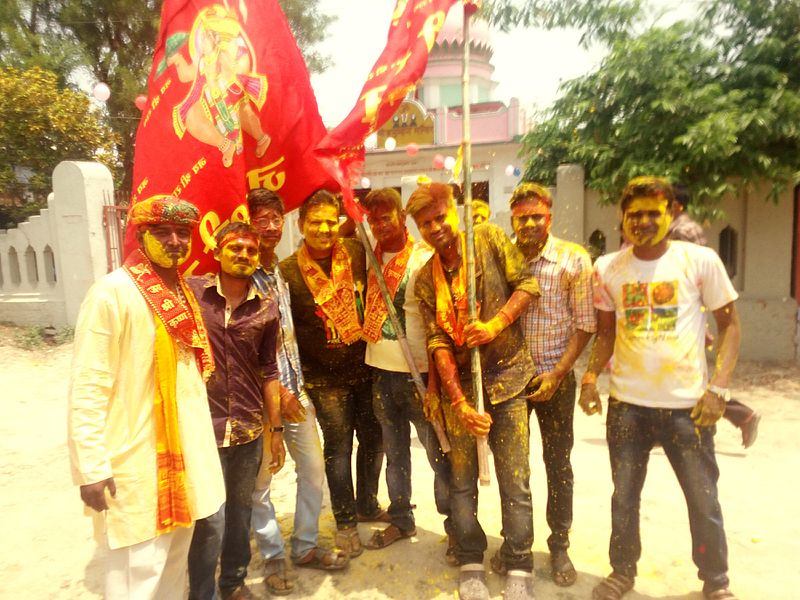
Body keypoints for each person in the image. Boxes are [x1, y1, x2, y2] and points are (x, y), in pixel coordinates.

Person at [579, 176, 742, 600]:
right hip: (627, 406)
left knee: (703, 499)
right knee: (624, 497)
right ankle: (622, 571)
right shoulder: (608, 268)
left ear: (672, 212)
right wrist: (592, 376)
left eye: (654, 212)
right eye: (635, 214)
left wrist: (719, 388)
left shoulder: (699, 261)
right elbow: (606, 332)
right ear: (622, 218)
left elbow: (729, 327)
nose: (644, 221)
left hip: (689, 408)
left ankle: (715, 581)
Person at [68, 195, 225, 599]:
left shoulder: (183, 293)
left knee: (172, 573)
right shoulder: (111, 293)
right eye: (162, 232)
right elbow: (89, 384)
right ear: (140, 235)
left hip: (184, 460)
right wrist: (90, 467)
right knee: (137, 579)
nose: (174, 241)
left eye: (182, 233)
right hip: (135, 464)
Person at [411, 182, 540, 600]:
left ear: (455, 211)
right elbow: (437, 343)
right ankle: (470, 557)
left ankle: (519, 560)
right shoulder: (425, 280)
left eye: (439, 217)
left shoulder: (487, 237)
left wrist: (495, 325)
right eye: (425, 223)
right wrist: (460, 402)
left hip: (509, 378)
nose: (435, 228)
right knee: (461, 482)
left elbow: (526, 285)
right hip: (461, 391)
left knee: (514, 479)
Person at [247, 189, 347, 596]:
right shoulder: (239, 273)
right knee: (261, 484)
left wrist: (293, 390)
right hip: (260, 400)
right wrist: (275, 397)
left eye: (276, 218)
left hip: (296, 390)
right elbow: (244, 347)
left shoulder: (279, 273)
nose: (270, 226)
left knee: (313, 470)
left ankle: (305, 544)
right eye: (261, 219)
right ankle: (273, 556)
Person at [279, 189, 385, 559]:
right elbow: (285, 329)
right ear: (301, 225)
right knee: (338, 450)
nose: (325, 229)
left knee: (374, 441)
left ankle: (367, 504)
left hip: (366, 367)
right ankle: (345, 522)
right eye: (316, 223)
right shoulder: (288, 271)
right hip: (323, 378)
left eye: (331, 221)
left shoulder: (357, 253)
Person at [186, 222, 285, 600]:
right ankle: (201, 592)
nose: (243, 254)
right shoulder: (192, 294)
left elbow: (270, 371)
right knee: (209, 519)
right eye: (235, 248)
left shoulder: (265, 309)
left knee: (240, 512)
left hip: (247, 429)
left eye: (250, 250)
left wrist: (275, 432)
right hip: (200, 429)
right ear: (218, 251)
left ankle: (233, 583)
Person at [509, 182, 596, 587]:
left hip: (556, 379)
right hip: (510, 383)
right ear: (513, 218)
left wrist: (557, 373)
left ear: (550, 217)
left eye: (536, 217)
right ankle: (517, 547)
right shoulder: (502, 256)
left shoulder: (572, 260)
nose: (528, 224)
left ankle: (559, 544)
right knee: (514, 468)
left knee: (558, 465)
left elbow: (585, 325)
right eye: (522, 217)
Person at [359, 187, 453, 552]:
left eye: (387, 216)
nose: (381, 224)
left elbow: (437, 324)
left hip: (422, 376)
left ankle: (455, 523)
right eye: (374, 218)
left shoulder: (424, 258)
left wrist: (436, 381)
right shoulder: (370, 256)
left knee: (439, 452)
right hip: (380, 372)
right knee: (394, 452)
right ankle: (401, 520)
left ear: (401, 218)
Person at [668, 183, 760, 448]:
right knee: (683, 376)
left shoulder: (680, 231)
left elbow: (684, 280)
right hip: (682, 313)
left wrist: (698, 322)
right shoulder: (683, 227)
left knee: (687, 379)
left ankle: (742, 415)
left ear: (677, 205)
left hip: (679, 314)